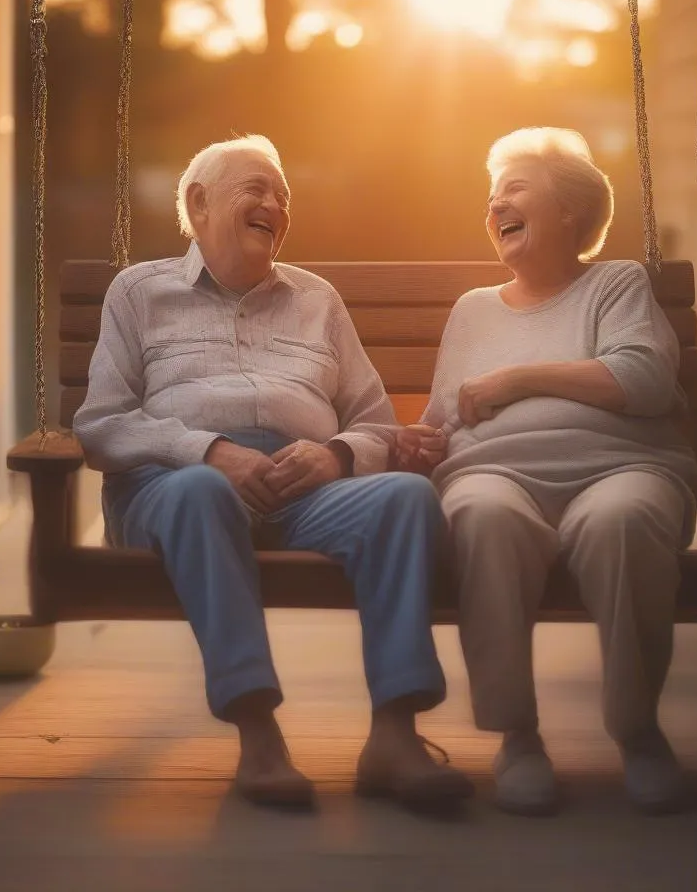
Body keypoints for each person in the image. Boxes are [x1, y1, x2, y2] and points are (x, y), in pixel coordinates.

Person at [73, 135, 472, 812]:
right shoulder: (139, 292)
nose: (274, 204)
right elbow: (102, 423)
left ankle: (394, 739)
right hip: (175, 489)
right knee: (203, 491)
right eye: (255, 188)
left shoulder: (317, 299)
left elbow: (376, 422)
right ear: (198, 204)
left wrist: (335, 455)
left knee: (404, 497)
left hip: (301, 489)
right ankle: (259, 738)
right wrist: (207, 450)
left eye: (283, 196)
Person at [396, 127, 697, 816]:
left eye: (515, 188)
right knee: (480, 513)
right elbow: (444, 417)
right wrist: (418, 445)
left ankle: (639, 733)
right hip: (494, 474)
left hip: (620, 467)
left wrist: (517, 379)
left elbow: (646, 379)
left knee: (624, 520)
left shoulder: (615, 285)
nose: (496, 204)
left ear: (568, 209)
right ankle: (519, 737)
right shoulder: (473, 309)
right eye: (492, 196)